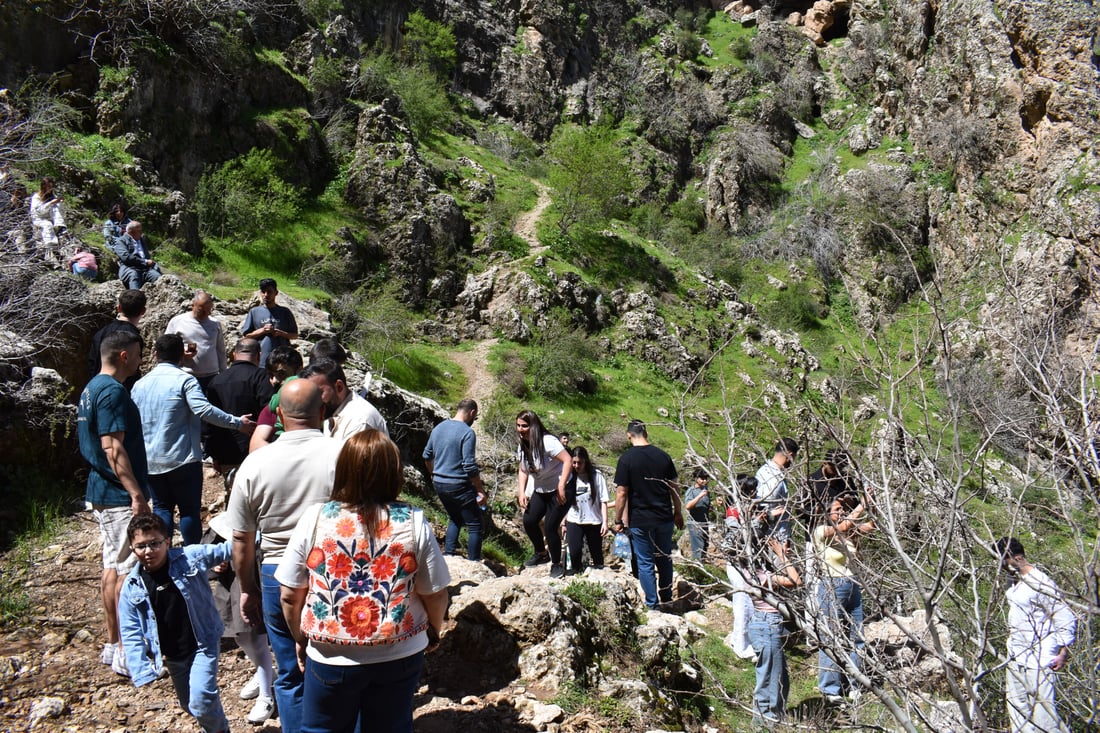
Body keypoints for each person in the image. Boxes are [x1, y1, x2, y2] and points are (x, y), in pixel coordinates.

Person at [277, 430, 451, 733]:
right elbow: (435, 593)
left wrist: (301, 639)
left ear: (343, 469)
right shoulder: (413, 521)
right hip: (399, 651)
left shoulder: (315, 518)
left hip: (330, 653)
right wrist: (433, 630)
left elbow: (290, 594)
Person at [223, 379, 343, 733]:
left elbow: (242, 540)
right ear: (322, 411)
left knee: (290, 672)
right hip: (334, 570)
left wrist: (247, 587)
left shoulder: (255, 464)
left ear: (277, 415)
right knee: (338, 666)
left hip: (276, 572)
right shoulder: (343, 454)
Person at [131, 334, 255, 546]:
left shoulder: (139, 385)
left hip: (150, 460)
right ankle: (194, 558)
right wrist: (237, 423)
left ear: (155, 355)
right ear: (182, 356)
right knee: (189, 511)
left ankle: (165, 555)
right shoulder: (185, 380)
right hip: (182, 458)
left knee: (161, 509)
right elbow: (203, 409)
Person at [77, 330, 152, 676]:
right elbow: (112, 448)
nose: (140, 359)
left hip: (102, 492)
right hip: (119, 495)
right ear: (124, 356)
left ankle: (113, 643)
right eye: (138, 354)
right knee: (127, 571)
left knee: (113, 566)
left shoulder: (91, 388)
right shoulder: (112, 392)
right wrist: (136, 493)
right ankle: (128, 650)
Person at [118, 514, 231, 733]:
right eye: (141, 546)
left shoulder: (189, 557)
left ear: (167, 542)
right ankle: (211, 718)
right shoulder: (132, 587)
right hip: (172, 656)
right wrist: (139, 667)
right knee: (189, 705)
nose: (149, 551)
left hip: (202, 643)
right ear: (132, 548)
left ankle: (220, 730)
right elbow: (130, 629)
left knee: (201, 700)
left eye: (154, 543)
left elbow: (227, 549)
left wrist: (266, 537)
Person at [996, 537, 1076, 733]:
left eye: (1002, 561)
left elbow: (1064, 615)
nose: (1000, 566)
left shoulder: (1040, 582)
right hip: (1016, 655)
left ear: (1015, 557)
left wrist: (1063, 651)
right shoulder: (1014, 580)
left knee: (1044, 716)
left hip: (1040, 658)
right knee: (1017, 708)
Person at [206, 513, 275, 725]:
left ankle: (266, 695)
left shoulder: (266, 525)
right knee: (240, 638)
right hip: (231, 587)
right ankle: (264, 672)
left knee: (257, 639)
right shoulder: (223, 524)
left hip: (255, 585)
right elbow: (208, 553)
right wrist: (215, 565)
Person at [612, 420, 683, 610]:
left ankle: (653, 604)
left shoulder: (626, 459)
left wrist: (618, 520)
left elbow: (621, 493)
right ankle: (667, 597)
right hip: (664, 517)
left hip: (640, 519)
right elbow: (674, 488)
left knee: (645, 562)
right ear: (646, 433)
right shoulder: (663, 457)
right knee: (664, 557)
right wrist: (678, 511)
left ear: (629, 436)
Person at [813, 492, 875, 704]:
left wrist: (874, 509)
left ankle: (854, 684)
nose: (841, 512)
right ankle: (830, 688)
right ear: (826, 513)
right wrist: (862, 504)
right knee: (831, 636)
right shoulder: (822, 531)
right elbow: (842, 528)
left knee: (857, 637)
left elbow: (868, 527)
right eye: (837, 509)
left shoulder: (847, 533)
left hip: (852, 585)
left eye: (842, 509)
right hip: (832, 585)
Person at [747, 538, 802, 727]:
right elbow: (796, 581)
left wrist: (783, 555)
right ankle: (762, 723)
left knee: (780, 678)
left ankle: (774, 719)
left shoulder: (755, 572)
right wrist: (782, 556)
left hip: (766, 625)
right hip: (766, 626)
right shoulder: (762, 576)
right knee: (769, 677)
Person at [423, 398, 486, 561]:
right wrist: (479, 489)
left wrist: (433, 473)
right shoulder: (467, 432)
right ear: (472, 413)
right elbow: (469, 465)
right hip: (458, 485)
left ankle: (449, 555)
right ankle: (474, 563)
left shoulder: (439, 428)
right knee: (475, 525)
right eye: (475, 416)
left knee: (455, 518)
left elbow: (427, 455)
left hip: (439, 483)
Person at [515, 410, 573, 578]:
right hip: (541, 488)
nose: (521, 429)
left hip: (561, 488)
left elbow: (567, 460)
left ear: (534, 426)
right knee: (529, 520)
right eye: (518, 425)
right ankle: (541, 553)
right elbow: (522, 470)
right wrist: (522, 492)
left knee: (550, 526)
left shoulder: (547, 441)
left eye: (525, 426)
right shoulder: (522, 445)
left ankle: (557, 563)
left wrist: (562, 485)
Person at [205, 338, 273, 473]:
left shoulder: (216, 380)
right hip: (257, 451)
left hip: (226, 452)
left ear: (234, 355)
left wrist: (213, 454)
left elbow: (209, 421)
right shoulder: (262, 377)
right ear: (259, 355)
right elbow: (269, 410)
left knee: (233, 492)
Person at [300, 358, 389, 442]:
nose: (313, 401)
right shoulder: (331, 411)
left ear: (339, 387)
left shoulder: (359, 421)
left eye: (317, 393)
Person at [723, 474, 759, 660]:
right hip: (736, 562)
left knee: (750, 603)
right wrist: (757, 521)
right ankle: (741, 645)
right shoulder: (733, 512)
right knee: (742, 603)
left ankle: (746, 642)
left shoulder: (749, 510)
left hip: (748, 563)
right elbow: (736, 537)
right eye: (753, 490)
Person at [165, 291, 227, 392]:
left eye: (209, 310)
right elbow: (166, 346)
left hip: (212, 375)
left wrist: (224, 374)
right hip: (186, 374)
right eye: (202, 310)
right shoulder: (177, 321)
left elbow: (220, 350)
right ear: (192, 305)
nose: (207, 314)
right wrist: (182, 353)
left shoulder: (215, 324)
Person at [248, 344, 304, 452]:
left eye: (281, 374)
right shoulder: (272, 408)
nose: (274, 380)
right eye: (270, 375)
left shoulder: (319, 402)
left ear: (299, 371)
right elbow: (256, 445)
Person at [88, 289, 147, 391]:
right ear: (143, 311)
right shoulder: (133, 338)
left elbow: (92, 365)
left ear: (118, 308)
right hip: (121, 393)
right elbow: (132, 370)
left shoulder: (100, 333)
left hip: (96, 389)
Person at [563, 446, 609, 574]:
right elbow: (563, 501)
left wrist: (605, 522)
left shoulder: (596, 475)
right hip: (574, 519)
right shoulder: (568, 476)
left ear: (585, 462)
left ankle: (600, 574)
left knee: (596, 553)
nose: (577, 466)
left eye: (580, 463)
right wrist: (563, 520)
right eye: (574, 462)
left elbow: (603, 500)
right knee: (574, 551)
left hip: (593, 520)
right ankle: (576, 575)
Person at [240, 277, 299, 368]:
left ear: (276, 293)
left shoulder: (285, 312)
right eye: (263, 292)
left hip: (282, 360)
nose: (266, 295)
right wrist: (263, 330)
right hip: (261, 361)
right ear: (260, 293)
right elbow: (246, 336)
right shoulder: (254, 312)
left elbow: (294, 335)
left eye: (269, 292)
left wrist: (280, 333)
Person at [754, 438, 799, 545]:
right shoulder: (773, 477)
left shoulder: (765, 470)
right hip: (773, 537)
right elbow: (763, 508)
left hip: (775, 535)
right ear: (789, 455)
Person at [110, 220, 162, 289]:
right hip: (129, 268)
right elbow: (126, 257)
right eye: (139, 231)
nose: (141, 233)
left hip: (145, 269)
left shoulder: (142, 240)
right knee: (134, 275)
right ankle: (135, 297)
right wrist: (145, 262)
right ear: (131, 231)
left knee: (157, 277)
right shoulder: (121, 241)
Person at [29, 176, 66, 257]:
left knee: (56, 206)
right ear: (43, 187)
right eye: (48, 187)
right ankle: (51, 244)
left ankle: (60, 226)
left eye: (51, 187)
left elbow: (61, 211)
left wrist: (59, 202)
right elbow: (38, 211)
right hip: (39, 218)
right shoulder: (36, 197)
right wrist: (51, 203)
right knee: (47, 225)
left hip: (50, 217)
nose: (50, 189)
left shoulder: (52, 196)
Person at [684, 468, 712, 561]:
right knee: (698, 547)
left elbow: (707, 505)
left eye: (705, 478)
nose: (704, 480)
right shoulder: (691, 491)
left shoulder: (706, 489)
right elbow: (688, 506)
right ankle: (698, 567)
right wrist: (700, 496)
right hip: (694, 523)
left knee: (705, 545)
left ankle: (703, 566)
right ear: (696, 478)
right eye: (702, 478)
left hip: (705, 522)